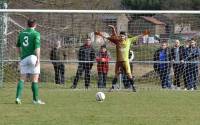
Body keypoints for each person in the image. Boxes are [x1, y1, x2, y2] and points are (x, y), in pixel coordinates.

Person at [95, 25, 140, 92]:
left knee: (129, 74)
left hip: (125, 61)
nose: (121, 37)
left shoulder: (129, 40)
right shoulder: (117, 41)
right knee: (116, 74)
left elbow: (137, 37)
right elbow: (108, 37)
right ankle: (112, 87)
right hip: (118, 61)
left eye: (123, 36)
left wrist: (145, 34)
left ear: (125, 36)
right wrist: (100, 34)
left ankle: (133, 87)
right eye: (121, 36)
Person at [15, 19, 45, 104]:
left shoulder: (21, 33)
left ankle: (18, 98)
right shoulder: (36, 34)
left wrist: (20, 56)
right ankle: (35, 100)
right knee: (34, 80)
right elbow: (37, 48)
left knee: (21, 79)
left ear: (27, 25)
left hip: (24, 58)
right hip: (33, 57)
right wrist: (38, 59)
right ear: (35, 25)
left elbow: (17, 47)